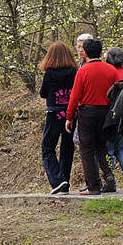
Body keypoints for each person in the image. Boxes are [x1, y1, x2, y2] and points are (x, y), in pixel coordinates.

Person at [65, 38, 118, 194]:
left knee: (87, 148)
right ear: (101, 53)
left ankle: (93, 186)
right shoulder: (111, 70)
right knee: (101, 146)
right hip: (106, 112)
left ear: (86, 53)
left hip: (87, 112)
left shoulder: (83, 71)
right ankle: (108, 175)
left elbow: (75, 96)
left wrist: (69, 117)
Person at [38, 41, 77, 194]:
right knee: (67, 148)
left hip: (54, 114)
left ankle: (57, 180)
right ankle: (65, 180)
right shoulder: (74, 71)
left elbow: (43, 93)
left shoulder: (49, 73)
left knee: (48, 148)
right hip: (70, 114)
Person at [103, 47, 123, 188]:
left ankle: (110, 180)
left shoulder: (108, 74)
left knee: (109, 150)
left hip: (110, 118)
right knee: (121, 149)